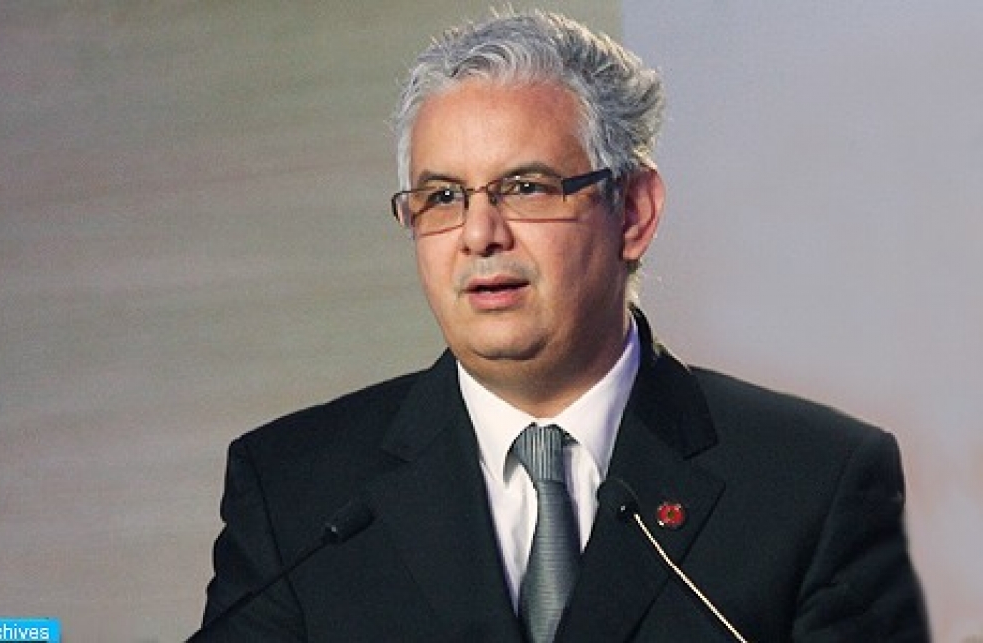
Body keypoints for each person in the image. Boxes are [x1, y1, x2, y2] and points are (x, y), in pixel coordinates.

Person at [196, 9, 929, 642]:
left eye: (525, 187)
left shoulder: (813, 484)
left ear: (633, 213)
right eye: (442, 197)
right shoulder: (299, 497)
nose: (479, 234)